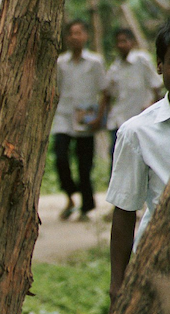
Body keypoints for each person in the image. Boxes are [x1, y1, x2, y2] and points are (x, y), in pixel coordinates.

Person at [106, 12, 170, 306]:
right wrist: (117, 283)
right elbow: (125, 210)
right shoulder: (137, 132)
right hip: (161, 269)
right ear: (159, 66)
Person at [50, 19, 108, 221]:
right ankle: (69, 194)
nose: (75, 37)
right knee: (60, 157)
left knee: (85, 165)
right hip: (63, 116)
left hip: (86, 118)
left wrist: (99, 117)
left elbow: (105, 91)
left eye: (79, 33)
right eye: (71, 33)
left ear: (86, 36)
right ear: (66, 38)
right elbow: (54, 89)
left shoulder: (95, 62)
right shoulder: (60, 63)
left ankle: (86, 206)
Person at [103, 28, 163, 163]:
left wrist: (152, 107)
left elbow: (156, 86)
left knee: (141, 156)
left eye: (124, 41)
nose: (121, 45)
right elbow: (108, 94)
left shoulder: (142, 60)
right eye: (118, 42)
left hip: (141, 117)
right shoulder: (114, 68)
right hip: (119, 120)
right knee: (115, 154)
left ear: (132, 42)